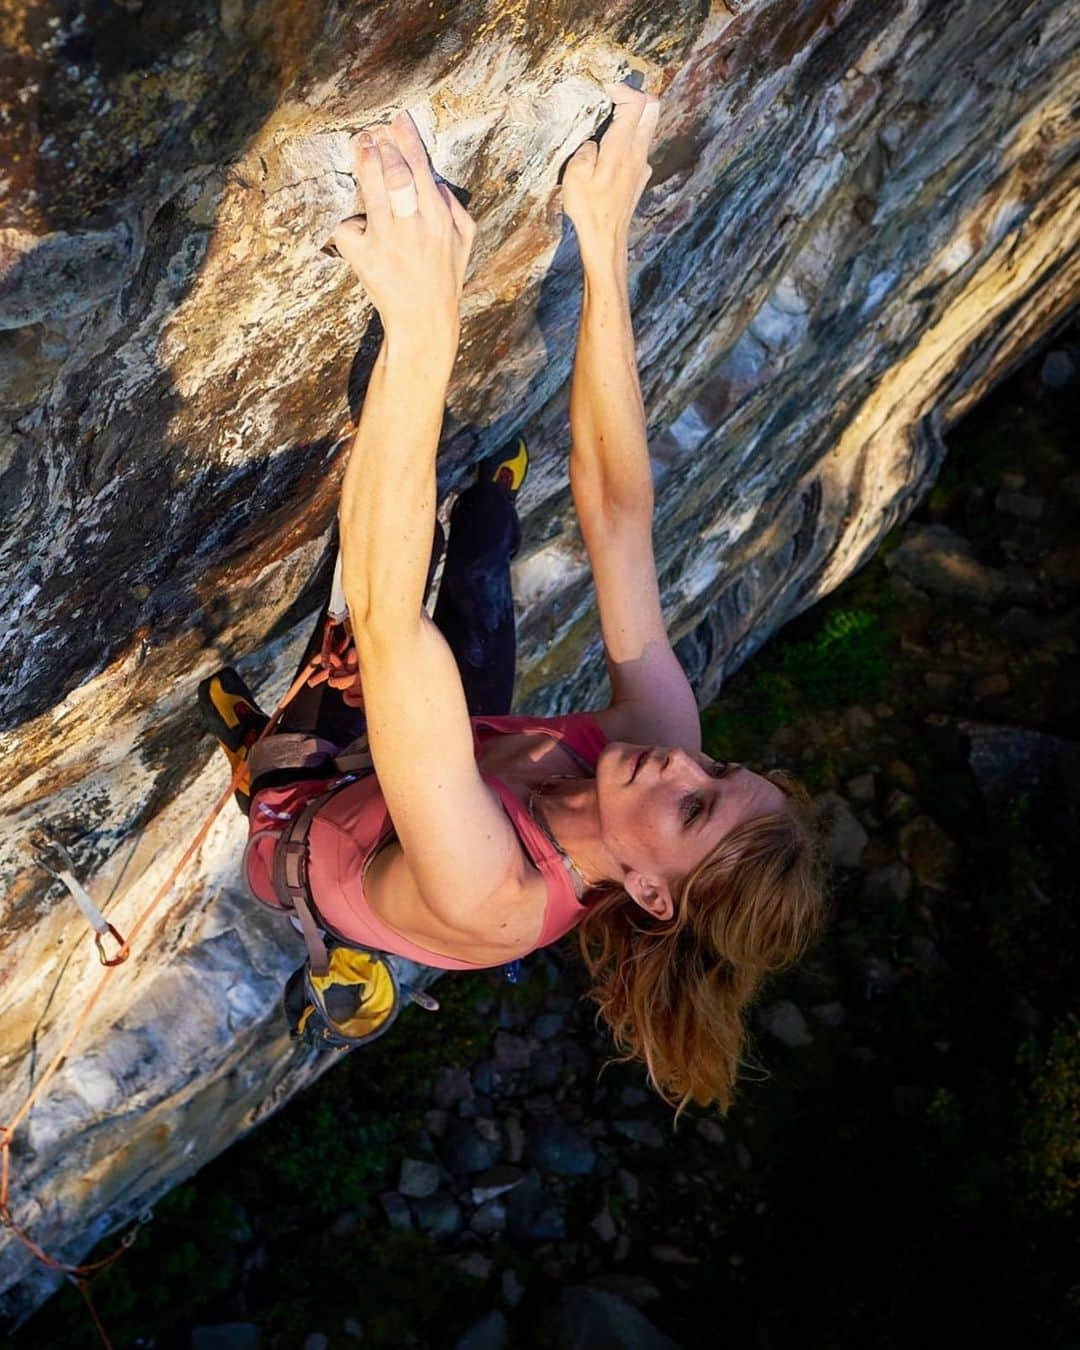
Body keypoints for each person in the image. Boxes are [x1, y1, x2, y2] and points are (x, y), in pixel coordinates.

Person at [203, 81, 826, 1115]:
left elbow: (389, 623)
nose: (686, 756)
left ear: (652, 893)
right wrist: (606, 233)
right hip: (454, 755)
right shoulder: (655, 749)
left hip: (317, 822)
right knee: (487, 541)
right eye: (724, 766)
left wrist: (424, 323)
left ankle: (269, 797)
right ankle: (477, 522)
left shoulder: (491, 895)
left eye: (697, 804)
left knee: (387, 626)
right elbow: (622, 518)